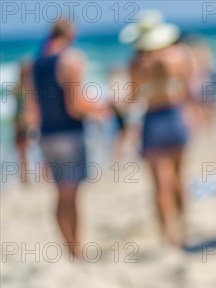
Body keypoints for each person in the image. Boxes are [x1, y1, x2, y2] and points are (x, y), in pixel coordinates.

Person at [31, 20, 106, 259]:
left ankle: (69, 247)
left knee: (60, 193)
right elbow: (75, 106)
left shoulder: (34, 64)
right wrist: (101, 110)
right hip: (71, 134)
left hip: (46, 135)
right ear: (70, 34)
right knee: (71, 195)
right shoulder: (71, 60)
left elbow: (34, 108)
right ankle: (77, 249)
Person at [119, 10, 195, 246]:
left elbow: (132, 99)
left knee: (160, 183)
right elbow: (189, 87)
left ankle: (167, 235)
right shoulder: (180, 55)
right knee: (179, 177)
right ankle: (183, 229)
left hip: (153, 119)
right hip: (176, 115)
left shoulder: (137, 63)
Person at [13, 61, 36, 185]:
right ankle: (27, 178)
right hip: (25, 123)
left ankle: (25, 178)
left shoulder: (17, 88)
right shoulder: (29, 88)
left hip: (20, 122)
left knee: (23, 152)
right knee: (26, 151)